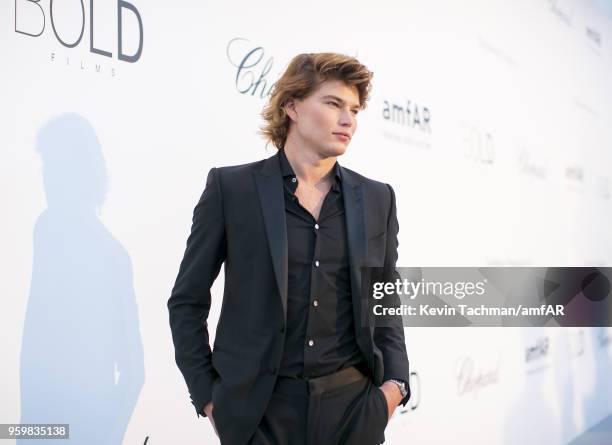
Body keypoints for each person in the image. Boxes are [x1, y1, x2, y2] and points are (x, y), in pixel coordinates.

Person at [167, 52, 410, 445]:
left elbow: (384, 298)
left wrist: (394, 387)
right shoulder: (232, 190)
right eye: (333, 104)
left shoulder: (378, 198)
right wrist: (212, 400)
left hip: (353, 410)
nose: (348, 120)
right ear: (292, 106)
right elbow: (186, 301)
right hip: (259, 414)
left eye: (354, 109)